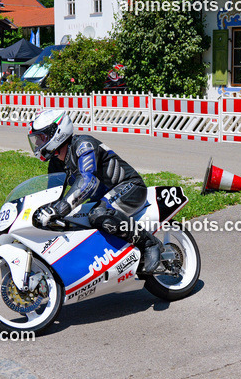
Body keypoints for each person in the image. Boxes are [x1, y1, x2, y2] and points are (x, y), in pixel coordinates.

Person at [28, 109, 164, 274]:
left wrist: (60, 208)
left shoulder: (84, 145)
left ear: (57, 132)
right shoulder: (56, 163)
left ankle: (150, 244)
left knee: (98, 214)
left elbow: (87, 181)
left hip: (130, 187)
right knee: (70, 220)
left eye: (42, 137)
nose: (37, 144)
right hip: (105, 198)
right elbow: (52, 195)